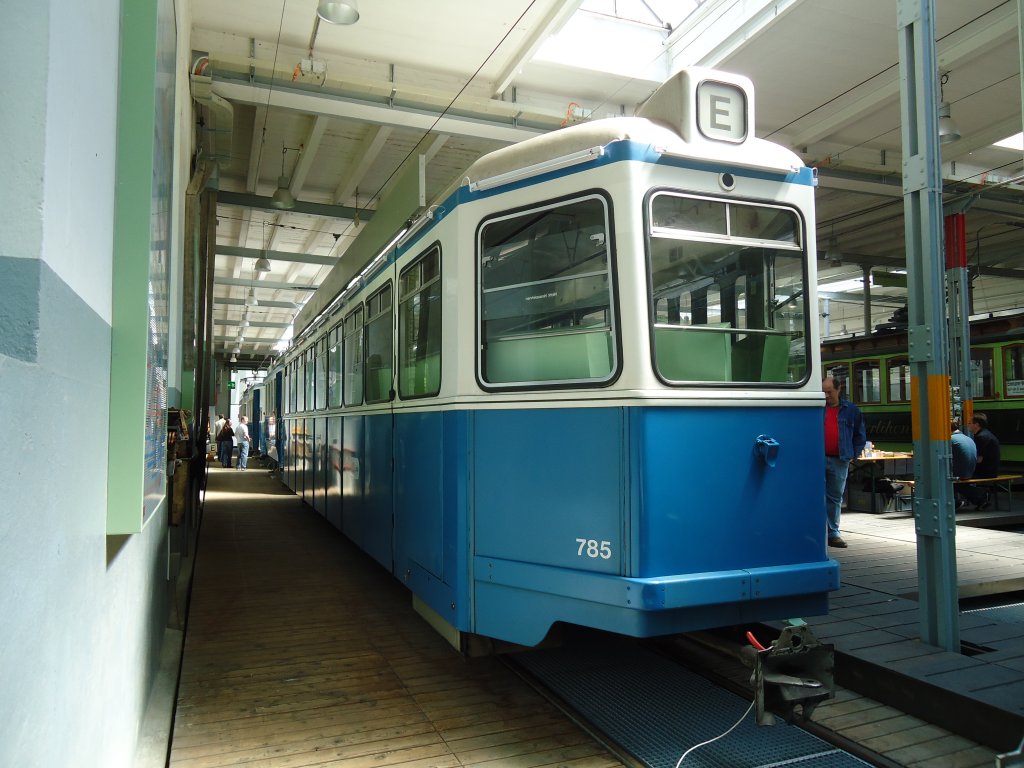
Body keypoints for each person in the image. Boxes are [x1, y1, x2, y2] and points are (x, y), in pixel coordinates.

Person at [823, 376, 866, 548]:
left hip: (839, 459)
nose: (826, 396)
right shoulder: (818, 408)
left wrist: (853, 454)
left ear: (838, 389)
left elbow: (860, 434)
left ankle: (833, 532)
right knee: (815, 495)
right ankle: (821, 530)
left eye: (829, 392)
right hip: (818, 458)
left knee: (834, 496)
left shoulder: (851, 410)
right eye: (823, 392)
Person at [962, 413, 1001, 509]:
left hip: (985, 471)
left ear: (977, 425)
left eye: (970, 423)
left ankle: (981, 497)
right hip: (990, 470)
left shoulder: (981, 437)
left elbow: (978, 459)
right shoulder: (985, 434)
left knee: (957, 481)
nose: (968, 425)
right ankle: (979, 498)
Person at [950, 420, 977, 510]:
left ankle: (954, 502)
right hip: (971, 471)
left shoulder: (951, 439)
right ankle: (979, 496)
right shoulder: (967, 438)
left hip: (960, 473)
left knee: (941, 478)